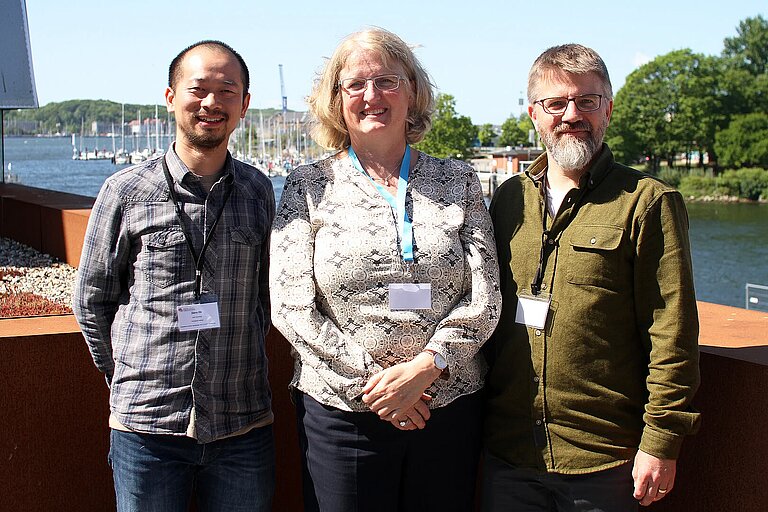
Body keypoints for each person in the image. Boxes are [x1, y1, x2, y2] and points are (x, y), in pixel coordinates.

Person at [269, 27, 500, 512]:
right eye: (355, 85)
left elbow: (485, 297)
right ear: (337, 98)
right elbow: (290, 306)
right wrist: (379, 386)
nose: (371, 96)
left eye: (388, 82)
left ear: (412, 90)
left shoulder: (457, 179)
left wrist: (425, 369)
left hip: (448, 407)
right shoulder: (308, 184)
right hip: (342, 414)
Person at [482, 43, 701, 511]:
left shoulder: (647, 201)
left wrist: (662, 440)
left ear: (609, 108)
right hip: (510, 455)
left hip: (605, 461)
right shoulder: (508, 200)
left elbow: (672, 330)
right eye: (556, 103)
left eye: (587, 101)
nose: (572, 114)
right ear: (534, 114)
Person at [73, 40, 275, 512]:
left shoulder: (257, 190)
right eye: (198, 88)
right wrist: (124, 371)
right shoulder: (126, 190)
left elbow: (268, 297)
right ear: (170, 97)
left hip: (241, 423)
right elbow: (93, 297)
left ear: (244, 105)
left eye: (227, 91)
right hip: (147, 428)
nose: (211, 103)